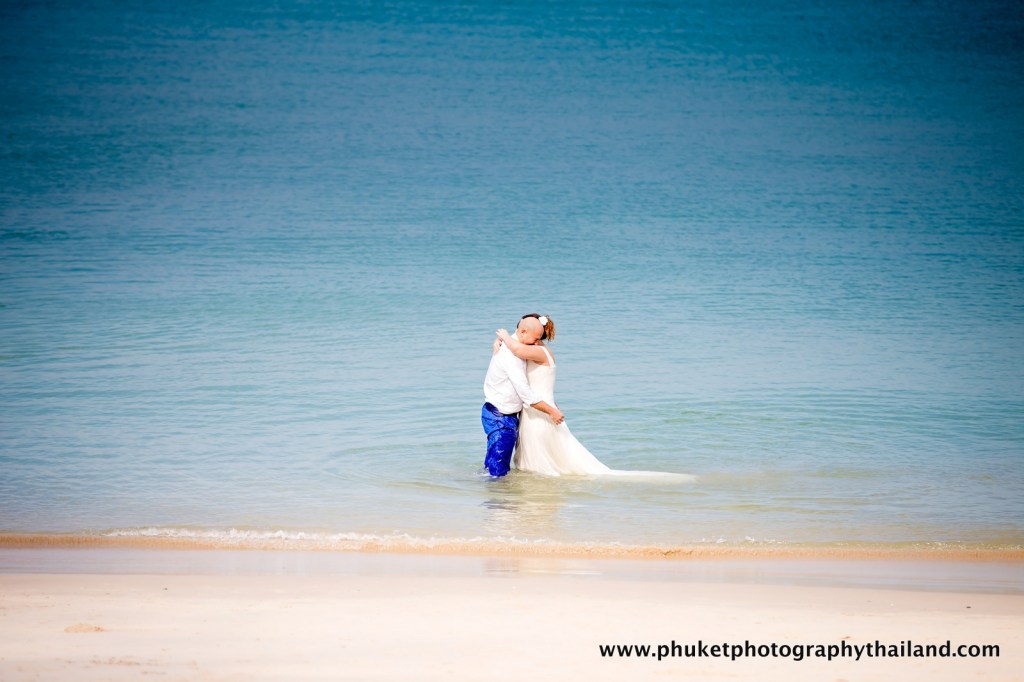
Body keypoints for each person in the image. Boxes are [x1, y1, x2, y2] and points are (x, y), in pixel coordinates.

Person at [497, 314, 691, 479]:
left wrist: (504, 336)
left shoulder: (539, 351)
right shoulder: (536, 350)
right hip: (536, 409)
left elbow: (517, 349)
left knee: (542, 461)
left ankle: (534, 495)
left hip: (540, 411)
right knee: (537, 457)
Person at [481, 316, 564, 477]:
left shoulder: (518, 346)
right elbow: (526, 394)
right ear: (523, 331)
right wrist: (552, 411)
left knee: (493, 464)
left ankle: (491, 496)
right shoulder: (512, 354)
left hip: (501, 414)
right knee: (498, 470)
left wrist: (502, 338)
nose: (536, 343)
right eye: (536, 339)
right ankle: (501, 500)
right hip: (500, 416)